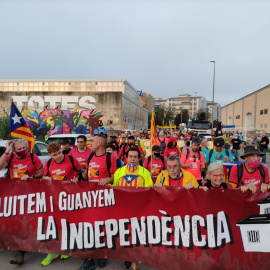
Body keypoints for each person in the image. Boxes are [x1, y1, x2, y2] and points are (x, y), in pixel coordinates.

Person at [0, 139, 44, 265]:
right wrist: (6, 152)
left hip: (32, 195)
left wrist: (32, 177)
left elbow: (41, 172)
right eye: (19, 149)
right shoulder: (11, 157)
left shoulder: (33, 156)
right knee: (17, 222)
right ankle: (19, 252)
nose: (22, 151)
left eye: (24, 148)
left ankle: (34, 243)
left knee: (32, 221)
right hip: (16, 196)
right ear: (14, 150)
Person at [41, 142, 81, 266]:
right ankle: (52, 251)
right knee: (53, 223)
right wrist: (49, 179)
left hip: (71, 196)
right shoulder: (48, 163)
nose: (58, 156)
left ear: (61, 150)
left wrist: (77, 178)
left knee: (67, 223)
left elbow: (83, 172)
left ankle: (66, 248)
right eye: (55, 155)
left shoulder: (70, 158)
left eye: (59, 153)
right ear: (50, 155)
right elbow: (44, 177)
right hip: (55, 197)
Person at [113, 147, 153, 270]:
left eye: (135, 157)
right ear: (126, 158)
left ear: (139, 159)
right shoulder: (119, 172)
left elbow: (150, 192)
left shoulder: (145, 172)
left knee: (135, 237)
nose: (133, 159)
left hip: (138, 212)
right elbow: (114, 190)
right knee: (125, 236)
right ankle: (127, 258)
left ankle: (135, 261)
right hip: (122, 211)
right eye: (130, 156)